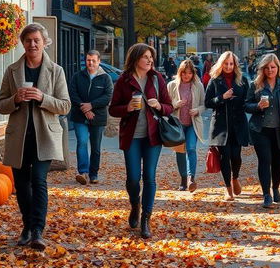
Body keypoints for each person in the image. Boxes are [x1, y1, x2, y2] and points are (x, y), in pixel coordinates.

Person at [0, 23, 71, 251]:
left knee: (39, 181)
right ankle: (27, 226)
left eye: (37, 40)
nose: (32, 44)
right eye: (28, 40)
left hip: (44, 136)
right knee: (21, 183)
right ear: (23, 43)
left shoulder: (56, 71)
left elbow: (65, 106)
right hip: (19, 136)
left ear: (44, 42)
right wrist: (15, 100)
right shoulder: (12, 71)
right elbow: (0, 105)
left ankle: (37, 230)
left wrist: (42, 97)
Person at [109, 43, 173, 238]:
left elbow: (169, 106)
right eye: (146, 56)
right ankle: (135, 204)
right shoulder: (124, 81)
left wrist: (159, 106)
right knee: (133, 178)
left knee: (150, 177)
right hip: (132, 136)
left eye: (151, 57)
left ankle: (146, 218)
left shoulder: (157, 78)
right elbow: (113, 109)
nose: (150, 60)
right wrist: (126, 108)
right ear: (136, 58)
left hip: (153, 136)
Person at [245, 53, 280, 208]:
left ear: (278, 68)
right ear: (262, 69)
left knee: (277, 162)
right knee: (265, 161)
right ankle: (266, 195)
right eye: (267, 67)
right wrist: (257, 106)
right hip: (260, 130)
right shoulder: (255, 85)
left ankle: (275, 187)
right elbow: (246, 105)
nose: (270, 70)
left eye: (273, 67)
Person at [205, 51, 250, 201]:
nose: (229, 66)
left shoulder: (242, 80)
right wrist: (221, 98)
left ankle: (235, 178)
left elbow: (247, 100)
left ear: (235, 65)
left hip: (238, 123)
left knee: (236, 156)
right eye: (226, 63)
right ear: (221, 64)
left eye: (231, 64)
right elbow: (207, 102)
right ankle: (227, 189)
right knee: (225, 157)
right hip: (221, 125)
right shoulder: (215, 80)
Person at [68, 50, 113, 185]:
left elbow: (107, 96)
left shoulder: (106, 78)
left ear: (99, 61)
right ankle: (83, 172)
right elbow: (72, 93)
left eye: (93, 60)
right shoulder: (78, 76)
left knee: (96, 147)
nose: (90, 63)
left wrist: (91, 105)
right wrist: (85, 108)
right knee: (81, 142)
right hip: (79, 116)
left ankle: (94, 174)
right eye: (88, 60)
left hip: (97, 117)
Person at [167, 59, 205, 192]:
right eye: (184, 73)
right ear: (180, 73)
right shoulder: (171, 85)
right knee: (180, 151)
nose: (186, 75)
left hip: (192, 123)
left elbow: (204, 104)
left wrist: (197, 110)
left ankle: (191, 178)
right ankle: (183, 179)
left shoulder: (198, 85)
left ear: (193, 74)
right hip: (178, 124)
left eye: (189, 73)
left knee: (191, 148)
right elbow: (165, 106)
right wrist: (175, 105)